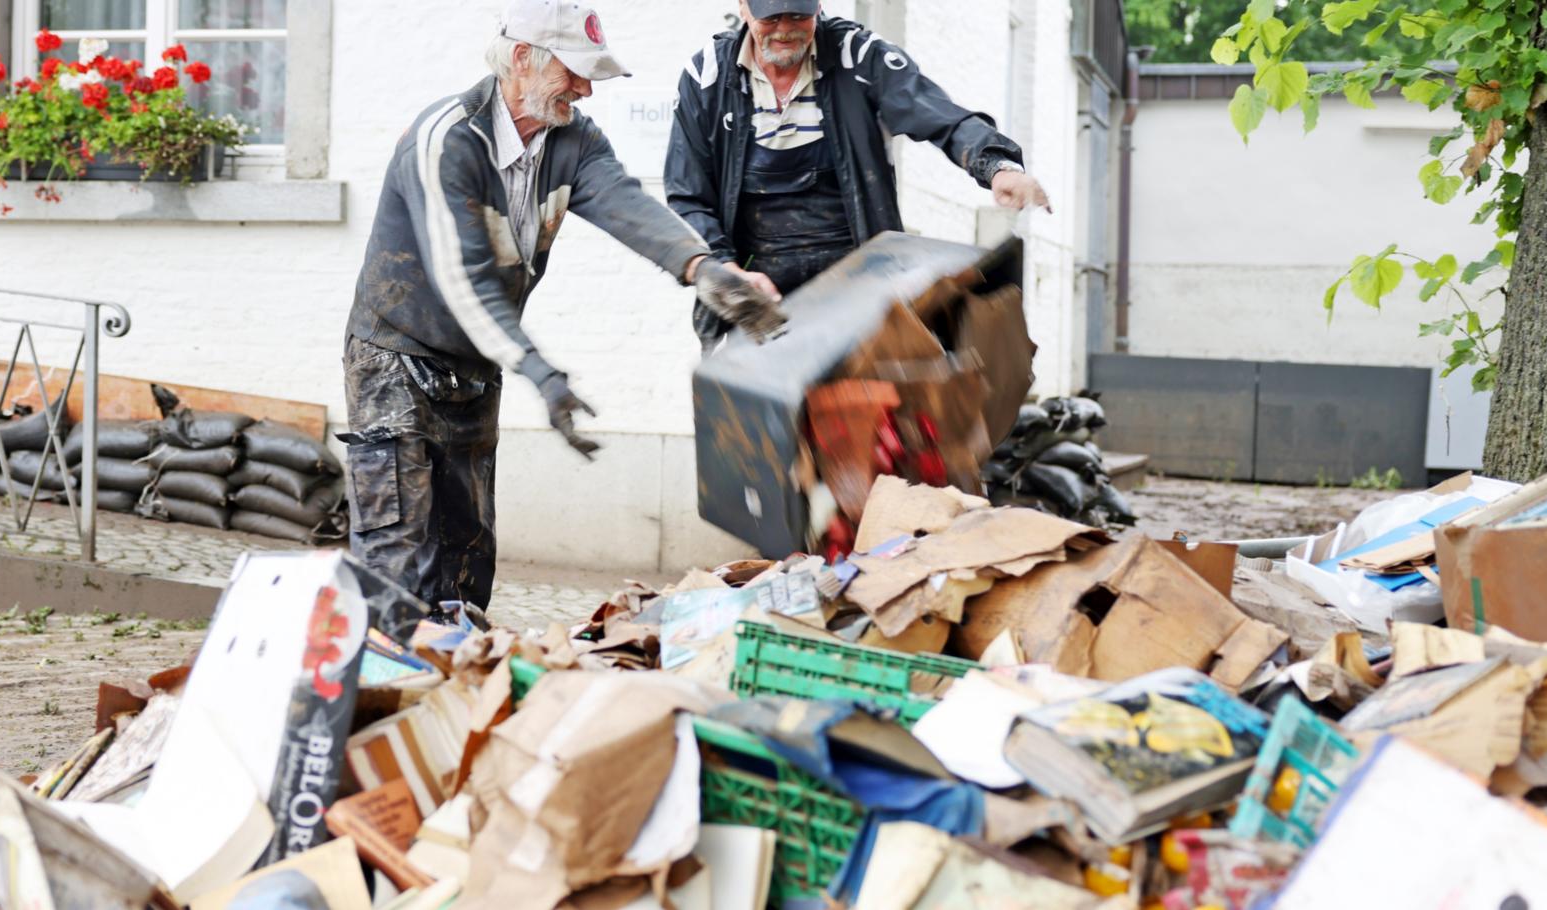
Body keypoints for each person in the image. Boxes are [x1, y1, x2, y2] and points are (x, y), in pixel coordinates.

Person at [341, 0, 784, 610]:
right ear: (522, 58)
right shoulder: (447, 139)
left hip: (476, 359)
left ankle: (454, 665)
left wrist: (704, 269)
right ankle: (380, 665)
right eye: (573, 71)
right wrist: (540, 372)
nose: (585, 89)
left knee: (465, 551)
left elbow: (627, 206)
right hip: (395, 354)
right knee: (397, 548)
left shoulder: (572, 138)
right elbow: (463, 282)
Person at [667, 0, 1052, 350]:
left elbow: (937, 113)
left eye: (798, 15)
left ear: (819, 6)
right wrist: (724, 268)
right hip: (756, 291)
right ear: (744, 8)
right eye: (771, 17)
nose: (785, 29)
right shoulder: (707, 77)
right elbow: (688, 194)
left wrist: (996, 166)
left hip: (856, 284)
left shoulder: (861, 57)